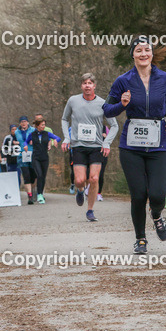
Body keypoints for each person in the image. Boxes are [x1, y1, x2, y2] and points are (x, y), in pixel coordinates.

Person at [104, 37, 166, 253]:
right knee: (138, 195)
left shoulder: (164, 79)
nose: (143, 54)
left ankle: (156, 215)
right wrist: (122, 104)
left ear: (152, 54)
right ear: (133, 55)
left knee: (157, 194)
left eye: (147, 50)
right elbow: (107, 109)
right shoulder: (123, 81)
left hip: (159, 144)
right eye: (139, 50)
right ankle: (141, 239)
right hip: (131, 147)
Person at [62, 73, 119, 221]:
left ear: (94, 86)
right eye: (84, 83)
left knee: (94, 179)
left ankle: (90, 210)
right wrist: (67, 138)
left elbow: (114, 125)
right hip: (78, 145)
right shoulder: (73, 101)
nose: (87, 85)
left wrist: (107, 143)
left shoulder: (103, 103)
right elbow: (64, 119)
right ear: (81, 86)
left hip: (96, 146)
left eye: (90, 83)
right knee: (80, 180)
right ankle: (80, 191)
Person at [28, 116, 60, 204]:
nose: (43, 127)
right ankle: (39, 194)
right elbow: (26, 141)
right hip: (36, 157)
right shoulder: (32, 134)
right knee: (39, 175)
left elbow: (57, 138)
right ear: (37, 126)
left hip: (45, 157)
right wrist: (26, 145)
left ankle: (40, 194)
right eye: (42, 125)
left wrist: (53, 142)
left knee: (43, 176)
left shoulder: (47, 133)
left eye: (44, 125)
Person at [13, 116, 37, 203]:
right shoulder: (16, 132)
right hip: (22, 155)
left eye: (25, 121)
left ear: (28, 122)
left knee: (33, 176)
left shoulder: (33, 130)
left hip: (32, 154)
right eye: (22, 122)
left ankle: (33, 191)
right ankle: (30, 197)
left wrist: (34, 141)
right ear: (19, 123)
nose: (23, 123)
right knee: (26, 176)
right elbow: (15, 141)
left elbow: (38, 140)